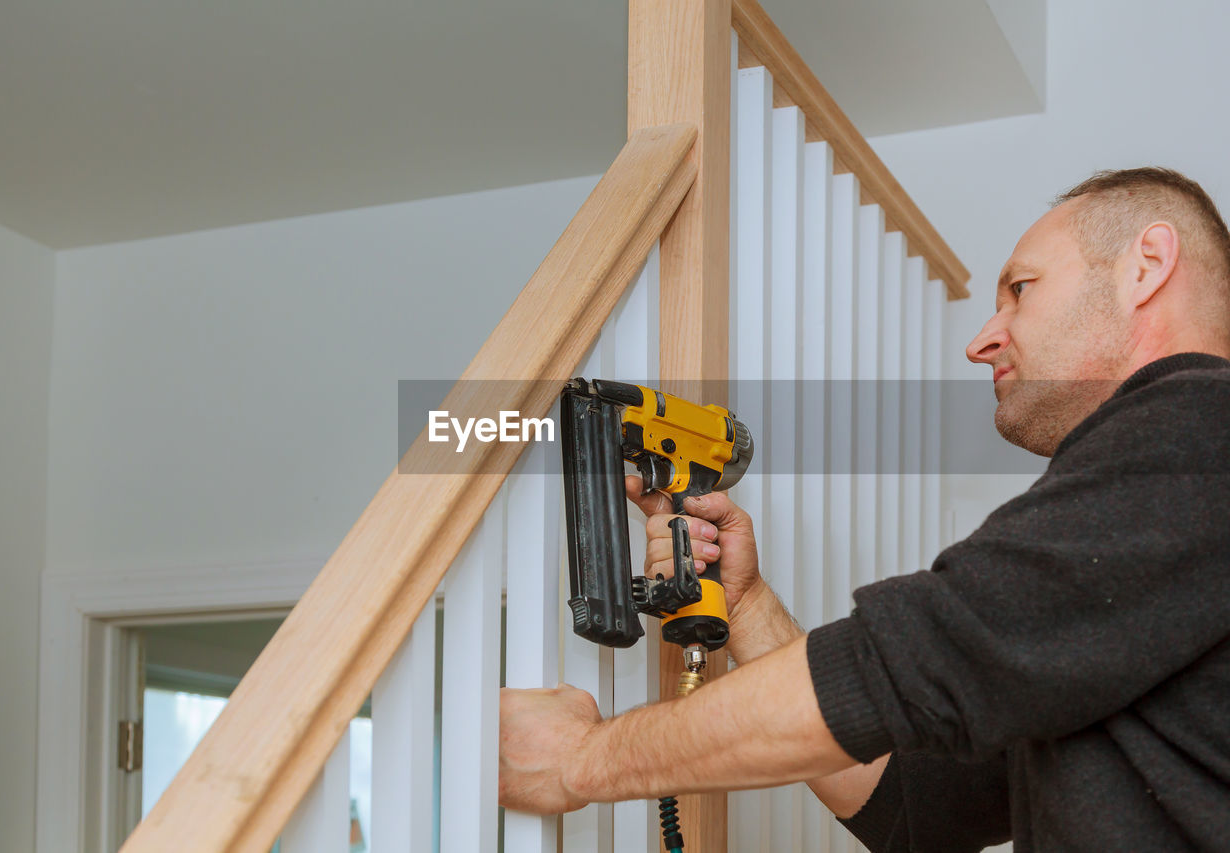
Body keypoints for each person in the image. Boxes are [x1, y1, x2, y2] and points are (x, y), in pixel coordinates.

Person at [497, 167, 1230, 851]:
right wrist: (746, 607)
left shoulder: (1202, 427)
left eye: (1021, 289)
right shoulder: (1152, 551)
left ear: (1148, 265)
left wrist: (581, 759)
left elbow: (907, 666)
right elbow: (913, 802)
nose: (983, 340)